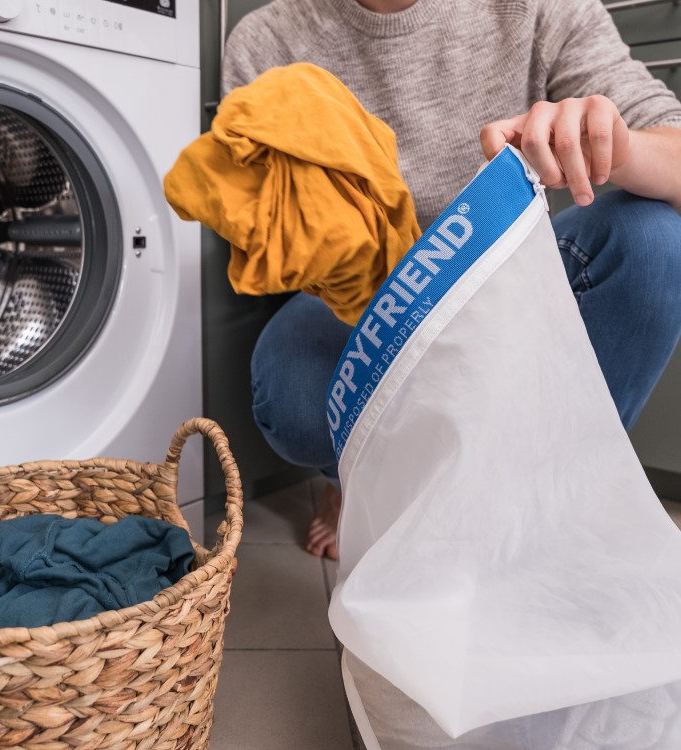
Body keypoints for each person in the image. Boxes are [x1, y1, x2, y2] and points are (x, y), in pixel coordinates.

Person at [222, 0, 681, 560]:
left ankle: (541, 499)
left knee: (654, 240)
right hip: (366, 295)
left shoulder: (541, 9)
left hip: (509, 268)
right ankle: (363, 486)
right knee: (291, 392)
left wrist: (615, 145)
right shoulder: (266, 37)